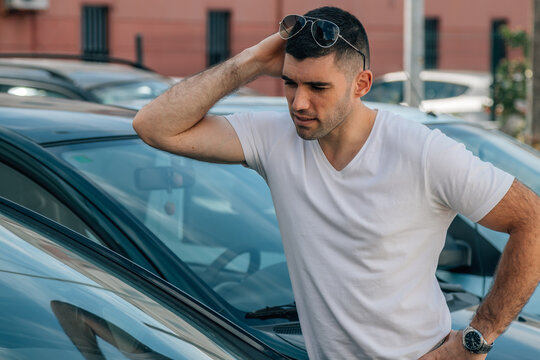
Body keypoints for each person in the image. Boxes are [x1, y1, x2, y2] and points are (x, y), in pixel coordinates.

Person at [133, 6, 540, 360]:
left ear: (361, 84)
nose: (299, 103)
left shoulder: (422, 152)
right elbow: (154, 127)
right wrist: (253, 60)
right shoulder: (273, 137)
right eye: (290, 83)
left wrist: (476, 339)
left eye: (318, 87)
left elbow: (532, 221)